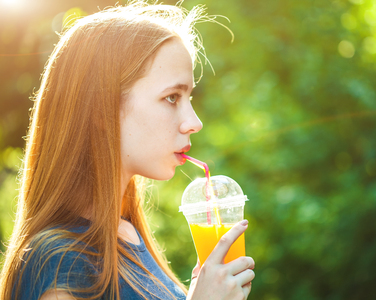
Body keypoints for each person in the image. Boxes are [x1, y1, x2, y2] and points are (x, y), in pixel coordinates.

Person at [0, 1, 255, 299]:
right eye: (172, 97)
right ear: (102, 111)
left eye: (189, 97)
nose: (194, 122)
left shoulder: (129, 237)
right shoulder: (61, 264)